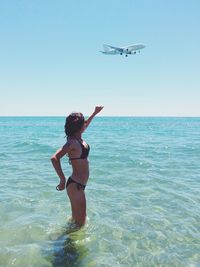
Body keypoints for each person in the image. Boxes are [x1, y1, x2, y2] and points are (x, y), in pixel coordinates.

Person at [51, 106, 104, 227]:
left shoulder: (78, 137)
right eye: (83, 123)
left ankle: (63, 241)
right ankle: (68, 244)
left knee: (75, 221)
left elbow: (86, 124)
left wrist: (94, 113)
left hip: (78, 185)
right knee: (81, 223)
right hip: (76, 186)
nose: (85, 124)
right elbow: (54, 158)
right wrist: (62, 180)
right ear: (78, 126)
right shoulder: (72, 142)